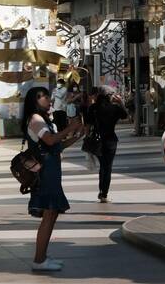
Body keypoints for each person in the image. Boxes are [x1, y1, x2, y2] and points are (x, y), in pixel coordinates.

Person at [22, 86, 84, 272]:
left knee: (52, 214)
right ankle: (39, 260)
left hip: (52, 171)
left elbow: (57, 145)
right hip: (45, 173)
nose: (47, 99)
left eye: (47, 96)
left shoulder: (45, 120)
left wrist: (77, 136)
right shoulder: (35, 119)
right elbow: (49, 141)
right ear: (34, 101)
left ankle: (42, 256)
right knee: (48, 214)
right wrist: (70, 128)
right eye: (42, 97)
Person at [93, 89, 128, 202]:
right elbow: (125, 116)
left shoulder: (93, 108)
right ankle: (104, 194)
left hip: (96, 141)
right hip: (110, 141)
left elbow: (87, 125)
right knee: (107, 167)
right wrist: (121, 102)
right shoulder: (114, 108)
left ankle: (101, 191)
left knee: (102, 166)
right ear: (108, 96)